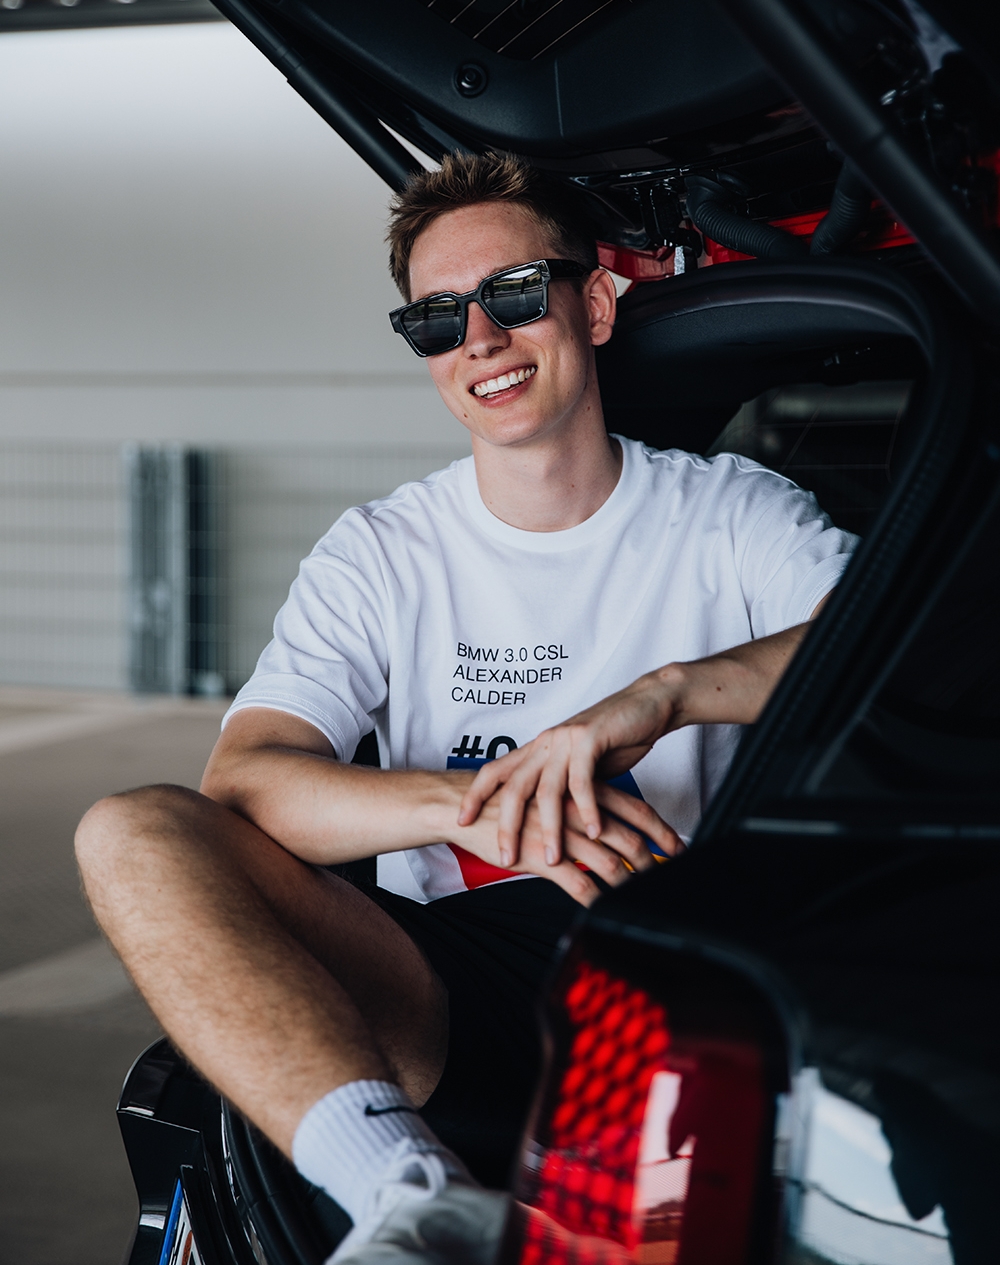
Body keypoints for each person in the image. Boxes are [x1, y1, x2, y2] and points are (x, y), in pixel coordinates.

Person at [74, 152, 856, 1264]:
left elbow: (884, 646)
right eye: (437, 318)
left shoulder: (731, 514)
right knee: (129, 829)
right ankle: (409, 1194)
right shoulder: (381, 551)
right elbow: (246, 781)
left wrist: (657, 697)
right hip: (449, 976)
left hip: (682, 969)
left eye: (517, 294)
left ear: (592, 302)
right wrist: (471, 807)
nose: (480, 337)